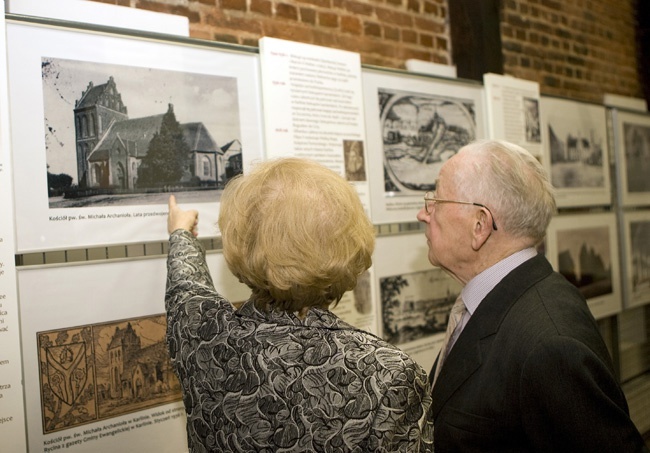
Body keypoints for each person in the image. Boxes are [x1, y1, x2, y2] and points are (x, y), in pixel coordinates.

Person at [166, 157, 434, 452]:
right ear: (349, 245)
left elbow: (186, 285)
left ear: (241, 241)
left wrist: (180, 232)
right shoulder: (388, 375)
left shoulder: (201, 333)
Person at [417, 139, 648, 452]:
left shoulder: (550, 344)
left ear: (480, 225)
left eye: (436, 201)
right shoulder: (506, 299)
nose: (423, 214)